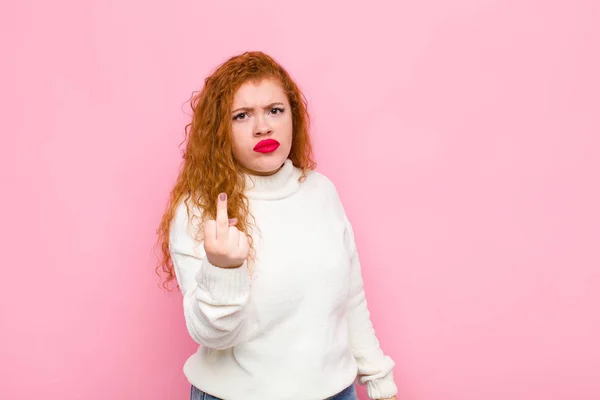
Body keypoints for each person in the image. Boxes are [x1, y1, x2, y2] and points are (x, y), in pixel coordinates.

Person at [156, 51, 398, 400]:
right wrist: (223, 270)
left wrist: (378, 379)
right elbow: (212, 336)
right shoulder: (200, 209)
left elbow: (350, 299)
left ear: (293, 117)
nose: (263, 126)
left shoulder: (320, 191)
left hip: (336, 392)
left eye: (275, 110)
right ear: (219, 130)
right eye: (242, 116)